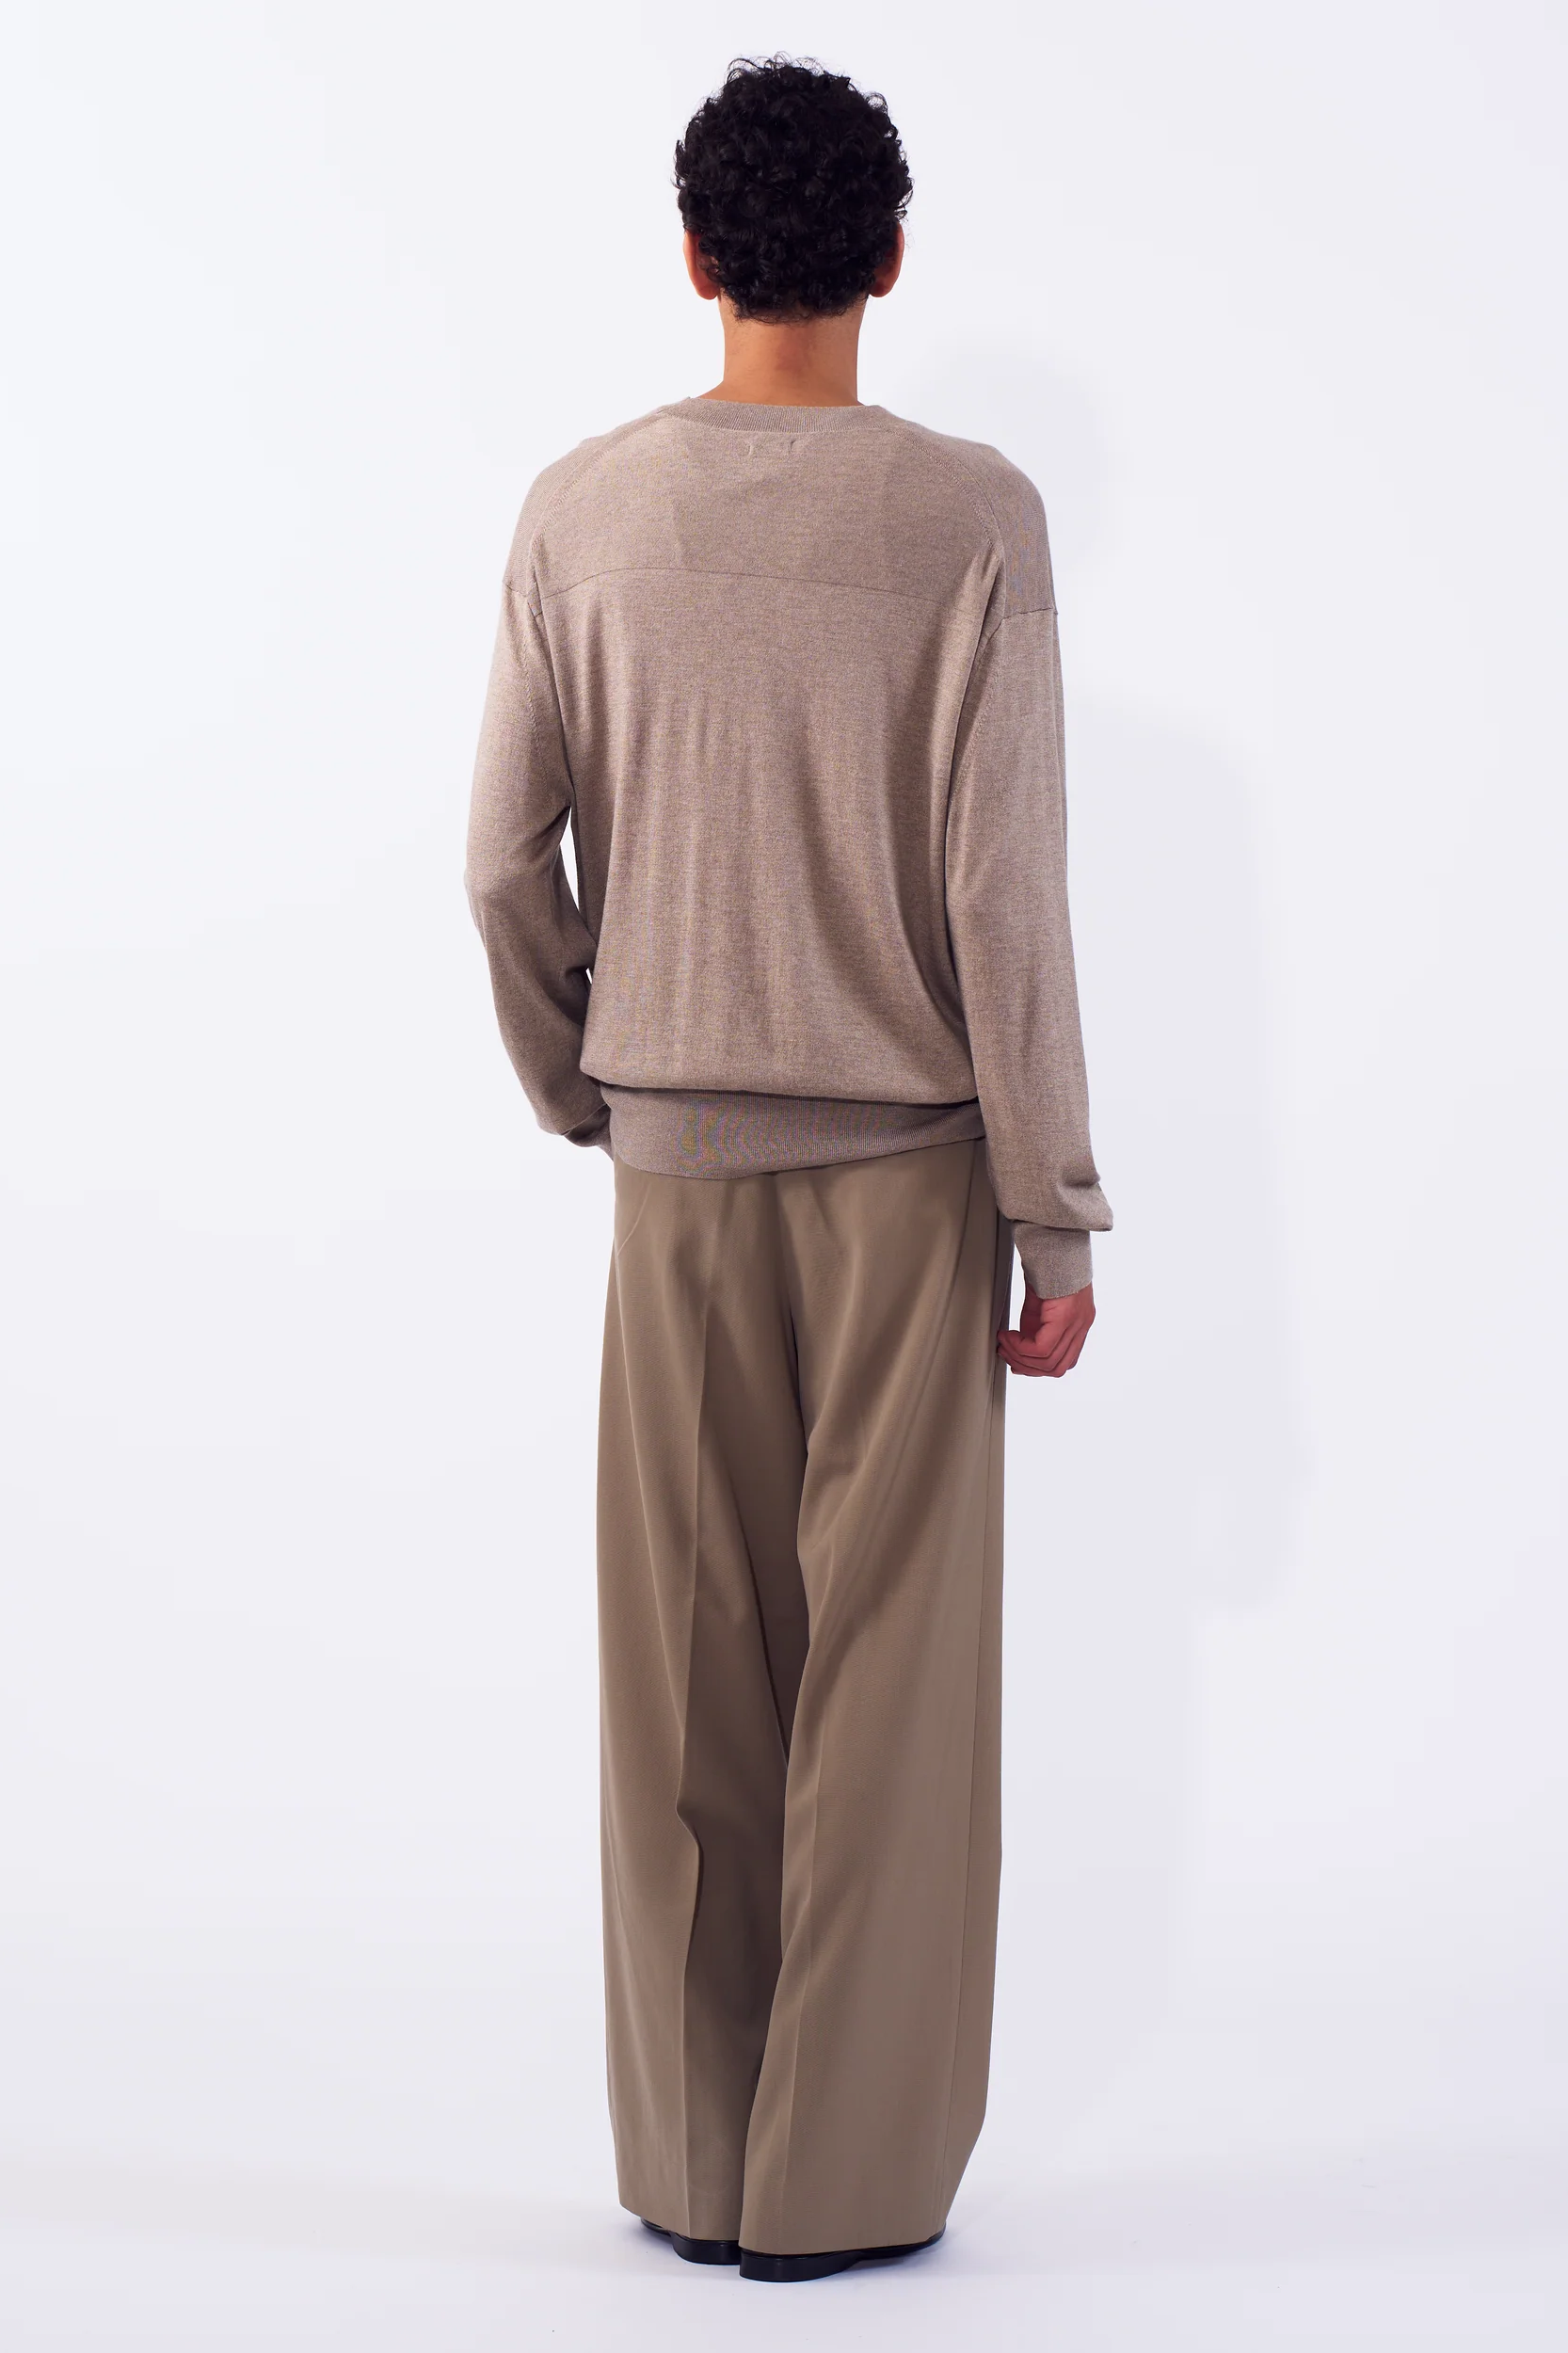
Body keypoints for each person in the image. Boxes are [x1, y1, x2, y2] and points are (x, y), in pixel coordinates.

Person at [464, 53, 1112, 2285]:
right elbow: (1002, 896)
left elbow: (498, 862)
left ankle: (690, 2158)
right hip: (911, 1181)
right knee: (890, 1692)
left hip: (676, 1178)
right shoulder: (972, 519)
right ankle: (840, 2195)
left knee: (684, 1682)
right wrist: (1048, 1201)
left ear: (693, 256)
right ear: (890, 259)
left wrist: (587, 1086)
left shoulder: (581, 509)